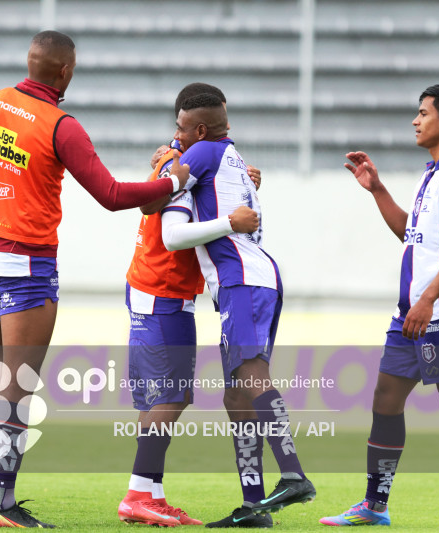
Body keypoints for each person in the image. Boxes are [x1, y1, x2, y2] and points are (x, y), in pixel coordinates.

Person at [0, 29, 190, 528]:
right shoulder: (61, 124)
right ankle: (2, 502)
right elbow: (110, 193)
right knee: (19, 382)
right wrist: (174, 181)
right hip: (27, 264)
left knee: (0, 371)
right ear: (64, 72)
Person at [320, 83, 439, 529]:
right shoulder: (433, 173)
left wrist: (429, 298)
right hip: (410, 311)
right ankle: (375, 504)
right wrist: (377, 190)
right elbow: (410, 234)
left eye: (423, 112)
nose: (416, 120)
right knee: (386, 398)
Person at [162, 94, 316, 524]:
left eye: (180, 127)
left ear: (199, 130)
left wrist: (167, 159)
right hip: (256, 277)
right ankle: (254, 506)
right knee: (236, 394)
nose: (175, 134)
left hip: (243, 279)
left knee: (251, 375)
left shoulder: (204, 152)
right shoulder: (231, 157)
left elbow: (164, 203)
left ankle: (293, 474)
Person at [119, 83, 264, 528]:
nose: (176, 135)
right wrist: (229, 218)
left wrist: (241, 183)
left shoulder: (184, 163)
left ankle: (150, 494)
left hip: (160, 289)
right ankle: (137, 494)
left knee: (162, 397)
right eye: (177, 129)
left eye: (181, 128)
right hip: (161, 289)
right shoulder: (179, 166)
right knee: (173, 396)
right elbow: (167, 227)